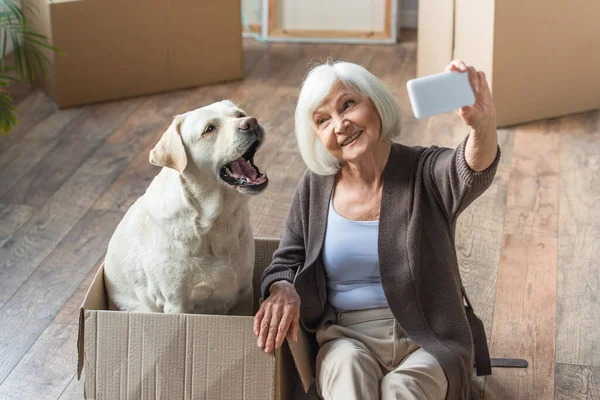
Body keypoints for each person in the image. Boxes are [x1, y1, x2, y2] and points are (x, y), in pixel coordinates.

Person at [253, 59, 500, 400]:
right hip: (346, 337)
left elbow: (470, 167)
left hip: (427, 336)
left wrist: (482, 125)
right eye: (323, 120)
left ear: (375, 102)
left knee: (402, 389)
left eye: (348, 105)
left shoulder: (423, 171)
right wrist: (282, 288)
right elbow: (286, 260)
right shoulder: (315, 187)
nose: (340, 125)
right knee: (349, 375)